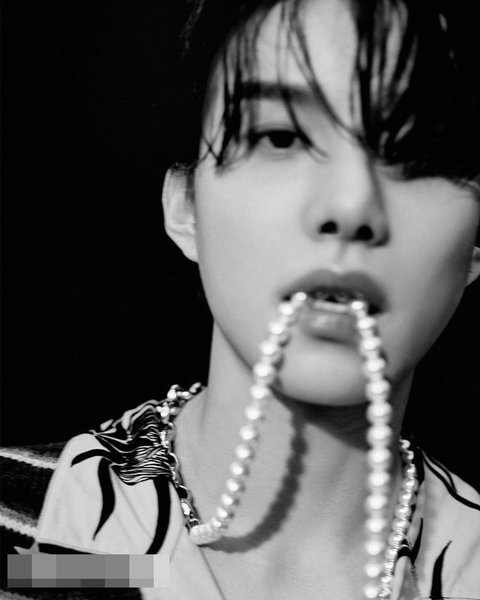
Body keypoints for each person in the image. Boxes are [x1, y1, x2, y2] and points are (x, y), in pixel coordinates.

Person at [1, 0, 480, 599]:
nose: (351, 206)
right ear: (185, 205)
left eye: (419, 152)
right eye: (280, 136)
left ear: (474, 247)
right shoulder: (23, 541)